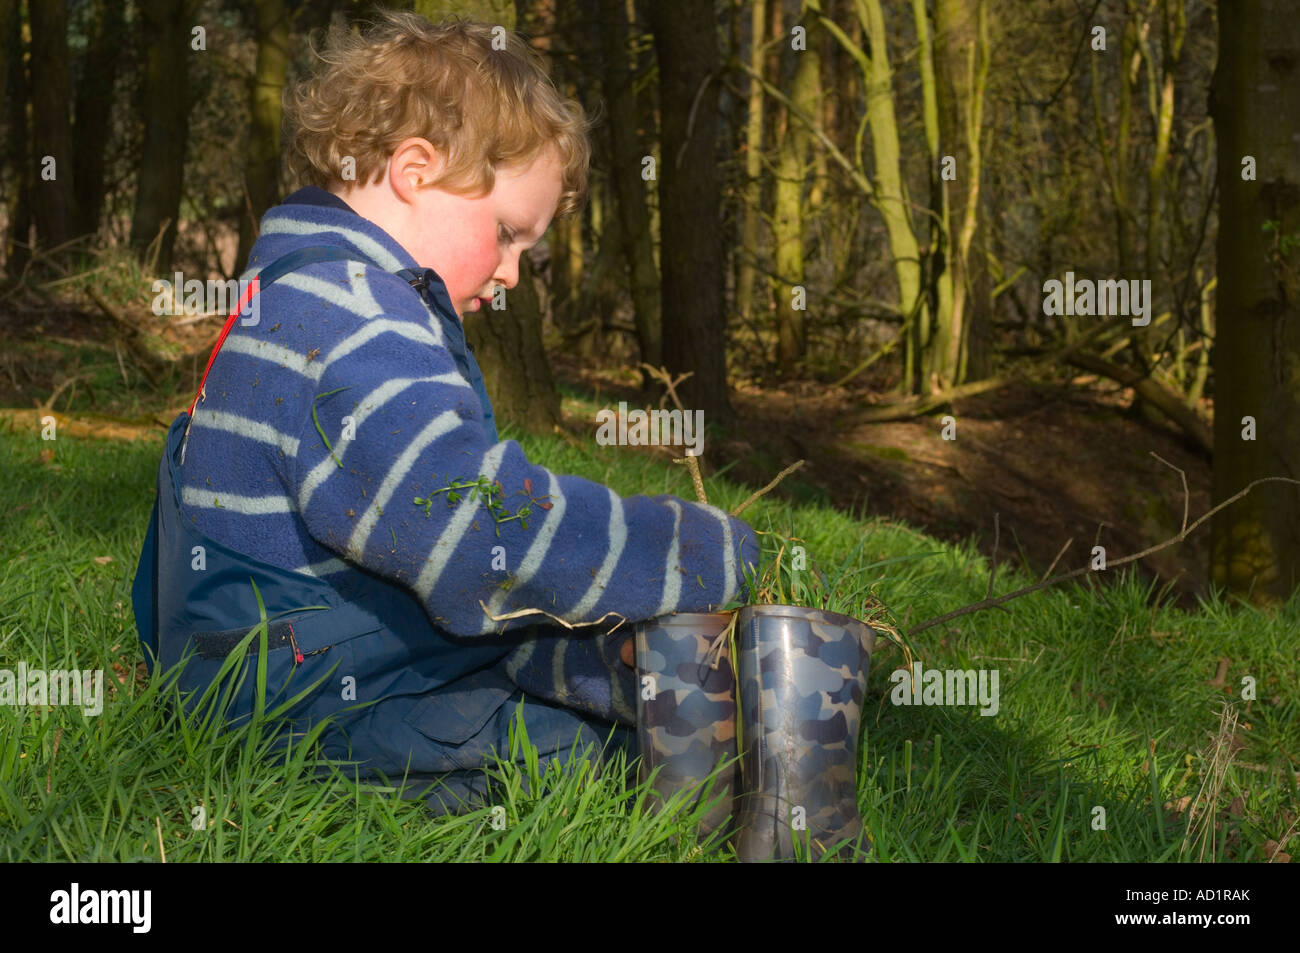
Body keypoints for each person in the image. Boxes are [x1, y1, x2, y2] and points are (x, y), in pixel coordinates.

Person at [132, 11, 756, 815]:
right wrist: (693, 548)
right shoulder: (356, 323)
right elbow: (480, 537)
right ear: (414, 169)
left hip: (293, 668)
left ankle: (620, 671)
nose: (512, 275)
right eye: (506, 234)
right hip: (303, 717)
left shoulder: (296, 292)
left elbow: (422, 576)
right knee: (604, 761)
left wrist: (607, 652)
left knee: (587, 690)